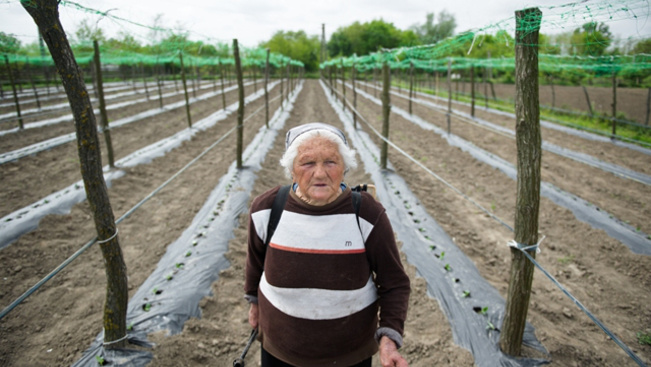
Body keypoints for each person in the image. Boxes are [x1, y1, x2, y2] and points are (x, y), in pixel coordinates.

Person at [244, 122, 411, 367]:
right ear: (292, 169)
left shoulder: (366, 214)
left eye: (331, 162)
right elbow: (254, 264)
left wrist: (388, 340)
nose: (320, 173)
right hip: (280, 351)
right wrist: (254, 303)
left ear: (345, 168)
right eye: (308, 163)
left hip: (349, 356)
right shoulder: (267, 210)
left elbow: (394, 283)